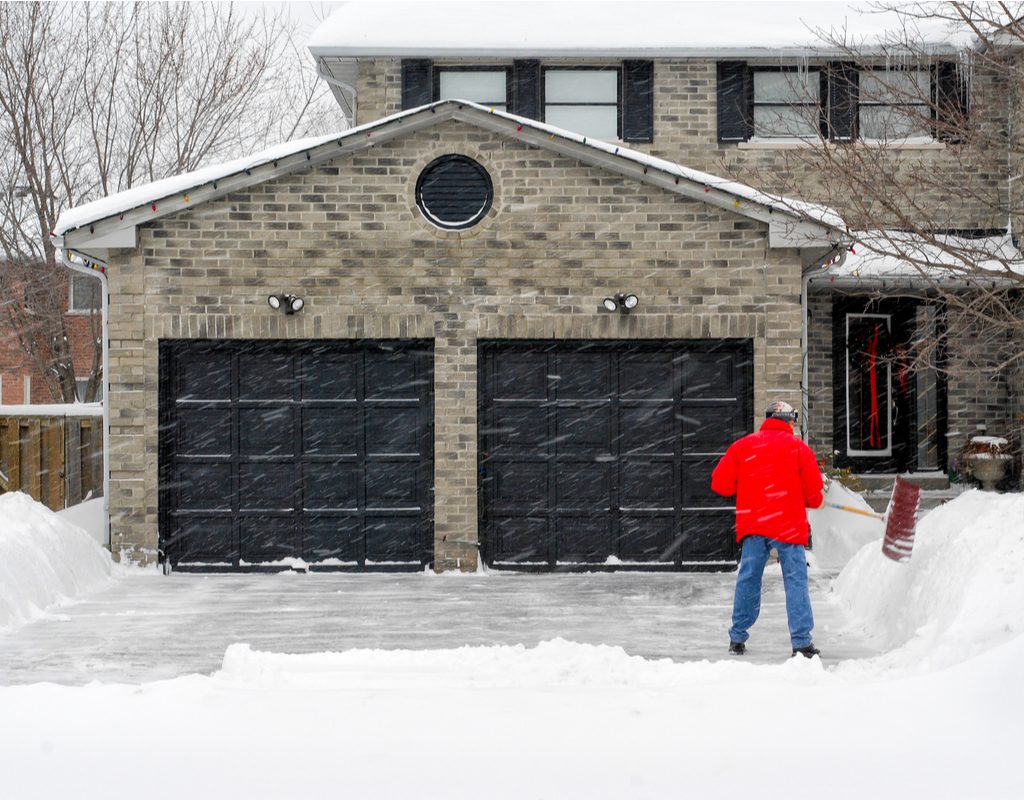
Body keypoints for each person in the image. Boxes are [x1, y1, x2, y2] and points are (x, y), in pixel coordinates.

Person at [711, 400, 825, 658]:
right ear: (788, 421)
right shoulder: (799, 449)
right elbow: (815, 498)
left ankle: (737, 637)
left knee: (749, 578)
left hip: (755, 523)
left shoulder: (743, 446)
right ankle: (801, 643)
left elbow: (720, 484)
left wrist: (749, 481)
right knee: (795, 580)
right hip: (788, 526)